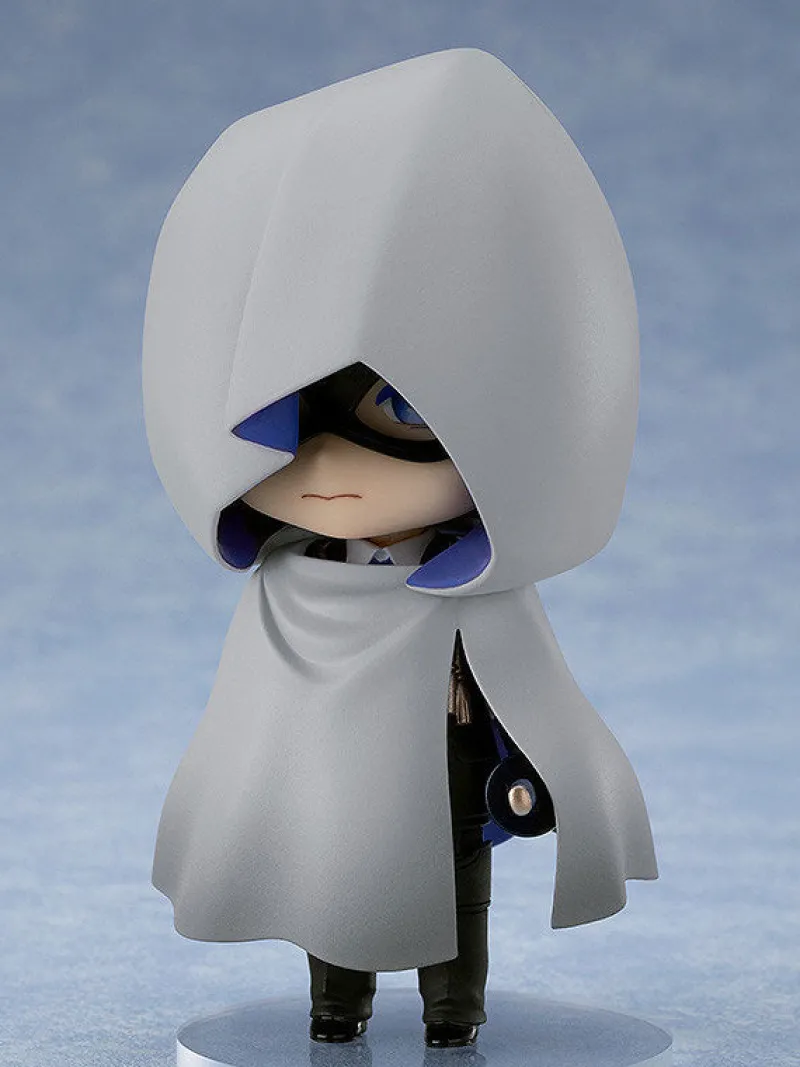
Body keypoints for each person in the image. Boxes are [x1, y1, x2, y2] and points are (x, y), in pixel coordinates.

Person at [142, 48, 657, 1049]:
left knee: (455, 900)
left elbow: (527, 685)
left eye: (399, 414)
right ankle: (335, 1008)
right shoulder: (289, 589)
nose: (332, 467)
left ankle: (453, 1013)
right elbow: (253, 733)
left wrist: (513, 745)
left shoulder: (476, 586)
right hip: (328, 787)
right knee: (329, 885)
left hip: (445, 775)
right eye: (290, 425)